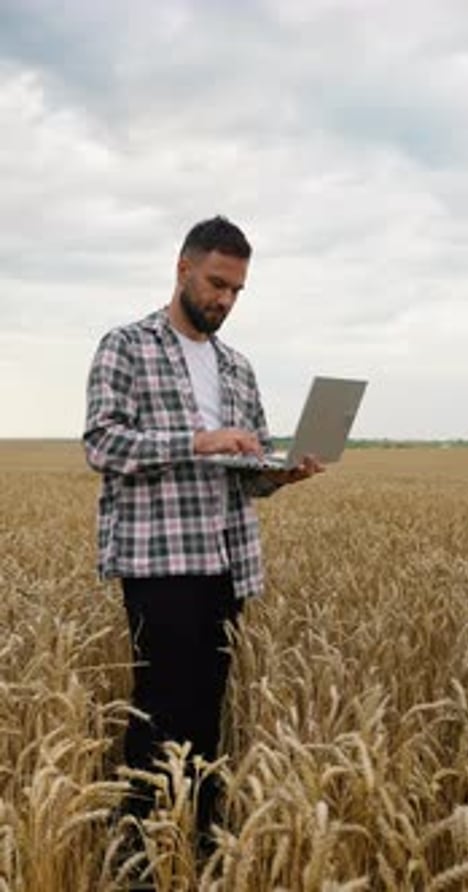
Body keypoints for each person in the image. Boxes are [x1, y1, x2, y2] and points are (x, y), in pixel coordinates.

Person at [83, 215, 323, 843]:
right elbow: (103, 444)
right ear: (183, 268)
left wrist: (282, 473)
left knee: (206, 712)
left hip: (228, 562)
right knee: (158, 710)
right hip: (159, 565)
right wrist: (198, 439)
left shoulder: (238, 367)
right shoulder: (126, 345)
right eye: (217, 283)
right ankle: (138, 849)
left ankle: (200, 844)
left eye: (237, 290)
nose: (225, 300)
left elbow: (246, 471)